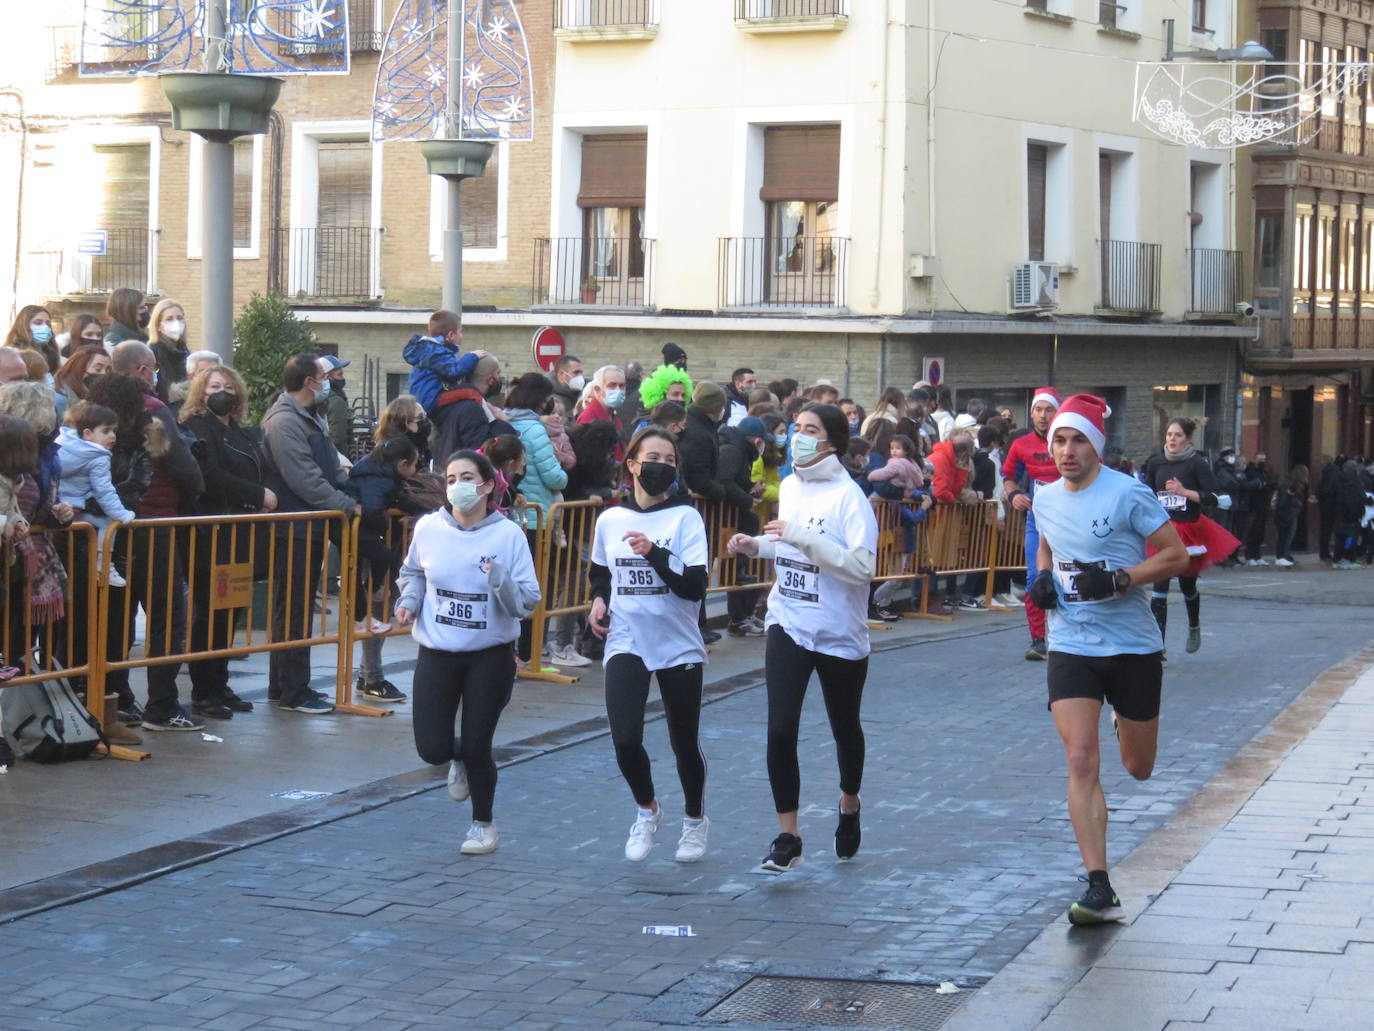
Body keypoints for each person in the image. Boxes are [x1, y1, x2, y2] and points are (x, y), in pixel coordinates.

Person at [1026, 394, 1188, 925]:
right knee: (1079, 760)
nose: (1066, 451)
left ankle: (1124, 719)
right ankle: (1099, 884)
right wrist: (1045, 576)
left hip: (1132, 644)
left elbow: (1175, 555)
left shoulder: (1128, 494)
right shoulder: (1045, 496)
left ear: (1095, 445)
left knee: (1138, 769)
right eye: (1059, 441)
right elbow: (1050, 543)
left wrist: (1120, 579)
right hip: (1072, 642)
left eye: (1077, 440)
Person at [727, 403, 879, 872]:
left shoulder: (850, 499)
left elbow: (861, 568)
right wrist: (757, 546)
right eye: (796, 428)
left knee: (844, 727)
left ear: (832, 442)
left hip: (838, 632)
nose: (798, 436)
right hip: (788, 622)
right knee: (779, 728)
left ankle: (849, 802)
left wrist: (800, 537)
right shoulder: (790, 486)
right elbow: (788, 540)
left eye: (810, 430)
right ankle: (787, 835)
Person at [395, 449, 541, 854]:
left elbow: (528, 601)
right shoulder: (428, 528)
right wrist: (408, 600)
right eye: (451, 479)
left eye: (467, 478)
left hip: (488, 654)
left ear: (488, 485)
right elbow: (412, 572)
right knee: (432, 748)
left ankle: (483, 825)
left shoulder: (508, 535)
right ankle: (454, 760)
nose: (458, 486)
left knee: (479, 744)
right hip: (437, 651)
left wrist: (500, 583)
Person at [588, 427, 711, 862]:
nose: (662, 466)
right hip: (627, 639)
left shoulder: (686, 519)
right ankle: (647, 809)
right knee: (624, 737)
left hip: (677, 642)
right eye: (653, 457)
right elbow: (600, 572)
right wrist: (599, 601)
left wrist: (655, 553)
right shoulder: (610, 519)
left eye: (670, 460)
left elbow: (695, 586)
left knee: (683, 741)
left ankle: (695, 822)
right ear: (633, 465)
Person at [261, 353, 360, 715]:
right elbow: (303, 477)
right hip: (294, 527)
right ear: (309, 382)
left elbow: (327, 466)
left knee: (296, 607)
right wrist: (345, 504)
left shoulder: (306, 416)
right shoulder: (285, 421)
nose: (329, 380)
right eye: (324, 375)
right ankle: (292, 690)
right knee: (292, 609)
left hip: (308, 525)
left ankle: (284, 686)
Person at [179, 364, 274, 718]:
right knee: (210, 614)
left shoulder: (241, 432)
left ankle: (219, 683)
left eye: (229, 386)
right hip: (213, 534)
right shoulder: (195, 428)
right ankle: (204, 691)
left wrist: (262, 499)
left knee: (230, 611)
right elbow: (210, 475)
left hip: (241, 534)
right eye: (215, 385)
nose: (223, 391)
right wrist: (257, 495)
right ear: (201, 392)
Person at [1139, 417, 1239, 655]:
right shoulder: (1156, 462)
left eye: (1178, 435)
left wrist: (1184, 492)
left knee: (1187, 585)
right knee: (1159, 587)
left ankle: (1194, 625)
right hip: (1164, 531)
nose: (1172, 439)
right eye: (1169, 434)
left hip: (1189, 531)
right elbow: (1150, 495)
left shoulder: (1197, 464)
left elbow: (1218, 499)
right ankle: (1158, 646)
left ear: (1188, 439)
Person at [1003, 387, 1062, 660]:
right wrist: (1014, 495)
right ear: (1031, 413)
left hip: (1068, 519)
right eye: (1038, 410)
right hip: (1036, 519)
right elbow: (1009, 479)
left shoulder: (1068, 441)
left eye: (1049, 410)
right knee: (1034, 576)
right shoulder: (1021, 444)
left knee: (1067, 575)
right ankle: (1038, 641)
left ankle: (1067, 636)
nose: (1043, 415)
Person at [57, 401, 135, 588]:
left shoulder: (63, 442)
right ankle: (104, 564)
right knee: (108, 523)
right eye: (106, 431)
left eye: (114, 431)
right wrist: (121, 513)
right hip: (75, 506)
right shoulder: (98, 456)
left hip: (57, 504)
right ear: (88, 434)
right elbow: (104, 490)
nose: (113, 436)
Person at [718, 414, 767, 637]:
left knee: (751, 523)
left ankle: (739, 569)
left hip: (734, 514)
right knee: (750, 523)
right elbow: (725, 481)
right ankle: (736, 568)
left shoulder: (741, 452)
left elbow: (735, 481)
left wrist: (750, 488)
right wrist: (747, 499)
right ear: (755, 439)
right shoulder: (733, 451)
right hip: (724, 515)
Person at [429, 351, 516, 465]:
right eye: (498, 374)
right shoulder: (472, 408)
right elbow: (481, 452)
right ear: (490, 379)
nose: (499, 379)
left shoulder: (450, 401)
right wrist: (503, 422)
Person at [576, 365, 627, 457]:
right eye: (612, 385)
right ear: (598, 390)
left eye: (621, 386)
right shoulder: (588, 418)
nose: (618, 390)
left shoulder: (614, 418)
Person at [147, 298, 190, 402]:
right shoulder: (151, 353)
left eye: (179, 318)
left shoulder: (184, 351)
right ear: (158, 325)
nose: (176, 323)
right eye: (169, 319)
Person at [1239, 454, 1275, 565]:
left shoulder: (1265, 470)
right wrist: (1262, 484)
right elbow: (1252, 485)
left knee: (1261, 531)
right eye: (1260, 459)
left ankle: (1258, 555)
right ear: (1254, 459)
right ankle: (1249, 556)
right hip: (1253, 506)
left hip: (1264, 505)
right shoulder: (1250, 470)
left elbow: (1272, 483)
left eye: (1264, 459)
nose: (1262, 462)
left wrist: (1264, 484)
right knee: (1253, 531)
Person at [4, 304, 59, 374]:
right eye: (38, 323)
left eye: (48, 324)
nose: (45, 327)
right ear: (23, 325)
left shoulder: (52, 354)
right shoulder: (10, 355)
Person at [54, 346, 111, 411]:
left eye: (107, 370)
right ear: (80, 367)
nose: (104, 373)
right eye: (98, 369)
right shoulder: (61, 399)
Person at [1274, 464, 1310, 567]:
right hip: (1288, 514)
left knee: (1284, 537)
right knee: (1286, 537)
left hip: (1286, 513)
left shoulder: (1288, 483)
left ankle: (1283, 556)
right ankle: (1282, 557)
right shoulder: (1292, 486)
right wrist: (1296, 502)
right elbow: (1286, 500)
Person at [318, 354, 353, 455]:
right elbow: (337, 438)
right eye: (339, 374)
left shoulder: (318, 396)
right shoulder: (336, 401)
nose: (343, 378)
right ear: (328, 377)